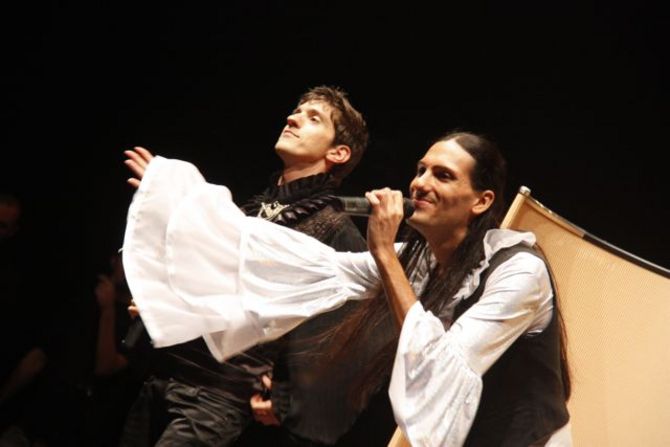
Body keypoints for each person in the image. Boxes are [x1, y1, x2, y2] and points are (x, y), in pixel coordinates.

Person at [122, 130, 572, 446]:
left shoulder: (518, 272)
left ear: (482, 200)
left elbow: (441, 369)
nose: (420, 184)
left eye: (443, 175)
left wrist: (385, 254)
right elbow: (297, 265)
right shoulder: (416, 259)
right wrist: (183, 208)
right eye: (421, 170)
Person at [119, 85, 384, 446]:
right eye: (297, 111)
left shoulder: (334, 227)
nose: (292, 119)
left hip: (216, 398)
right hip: (164, 377)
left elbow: (359, 335)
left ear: (338, 152)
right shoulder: (251, 210)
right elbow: (216, 287)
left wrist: (291, 397)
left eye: (313, 118)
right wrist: (161, 303)